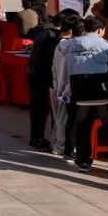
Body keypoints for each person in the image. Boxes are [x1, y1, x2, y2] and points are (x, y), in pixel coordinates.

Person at [66, 15, 108, 174]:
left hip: (79, 90)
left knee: (82, 126)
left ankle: (83, 161)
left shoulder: (70, 45)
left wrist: (64, 89)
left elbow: (65, 68)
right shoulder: (107, 46)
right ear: (100, 30)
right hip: (102, 92)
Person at [26, 12, 63, 150]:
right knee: (43, 108)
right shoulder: (52, 36)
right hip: (42, 75)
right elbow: (50, 59)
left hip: (35, 73)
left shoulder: (44, 31)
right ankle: (40, 139)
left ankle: (36, 138)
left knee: (38, 108)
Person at [51, 13, 80, 158]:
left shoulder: (60, 45)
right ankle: (60, 146)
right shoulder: (73, 46)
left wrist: (57, 85)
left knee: (59, 118)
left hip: (59, 86)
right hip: (68, 88)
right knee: (65, 118)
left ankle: (57, 145)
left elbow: (54, 68)